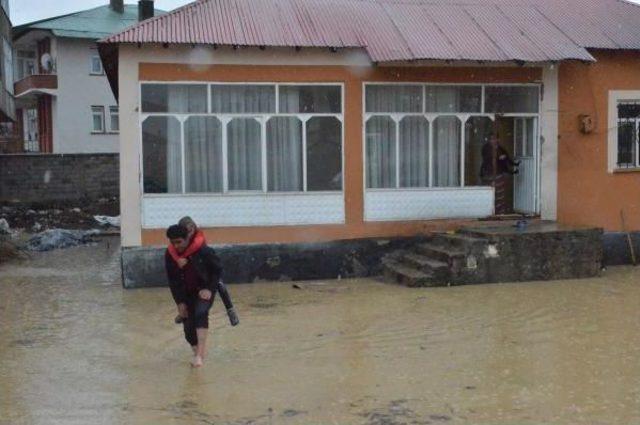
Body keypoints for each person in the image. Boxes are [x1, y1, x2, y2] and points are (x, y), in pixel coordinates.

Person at [165, 224, 229, 367]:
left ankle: (199, 356)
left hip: (204, 290)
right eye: (172, 243)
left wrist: (209, 289)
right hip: (186, 293)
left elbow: (217, 270)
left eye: (179, 242)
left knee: (201, 312)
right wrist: (179, 303)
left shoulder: (203, 250)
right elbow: (173, 280)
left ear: (187, 238)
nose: (176, 246)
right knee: (188, 330)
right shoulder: (170, 255)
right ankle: (197, 354)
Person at [167, 216, 239, 327]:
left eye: (191, 229)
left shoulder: (199, 240)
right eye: (187, 230)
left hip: (202, 266)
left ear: (193, 228)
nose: (189, 233)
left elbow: (210, 262)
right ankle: (182, 312)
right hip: (186, 266)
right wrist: (178, 261)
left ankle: (230, 309)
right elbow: (173, 252)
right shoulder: (178, 241)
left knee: (219, 283)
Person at [480, 133, 519, 215]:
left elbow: (506, 157)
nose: (494, 141)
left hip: (499, 173)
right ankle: (489, 212)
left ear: (498, 139)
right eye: (492, 139)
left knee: (500, 194)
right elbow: (487, 159)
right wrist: (498, 158)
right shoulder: (486, 148)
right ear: (489, 140)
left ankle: (500, 212)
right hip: (488, 174)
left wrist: (514, 164)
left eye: (496, 139)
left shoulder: (500, 148)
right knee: (489, 193)